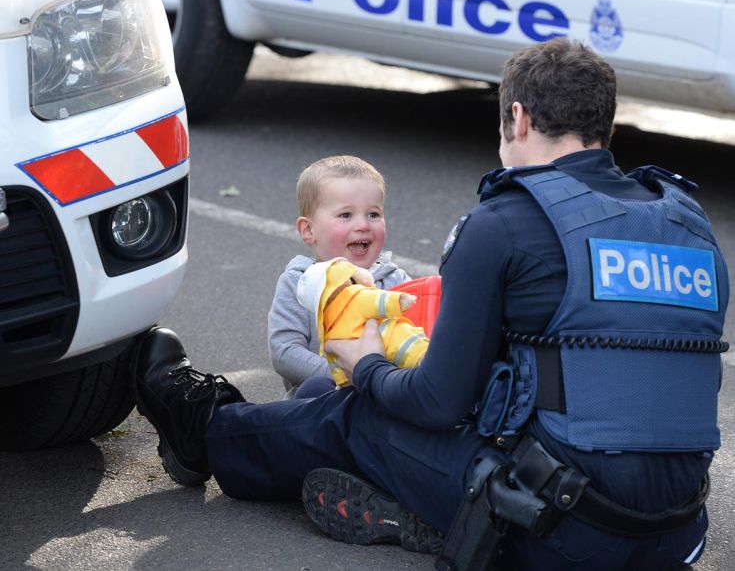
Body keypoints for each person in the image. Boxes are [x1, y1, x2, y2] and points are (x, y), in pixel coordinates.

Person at [133, 38, 729, 570]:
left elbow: (438, 403)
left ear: (516, 119)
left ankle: (203, 430)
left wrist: (366, 362)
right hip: (674, 534)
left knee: (356, 413)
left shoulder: (506, 221)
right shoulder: (686, 222)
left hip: (563, 530)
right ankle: (403, 503)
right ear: (606, 126)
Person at [267, 155, 410, 398]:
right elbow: (284, 352)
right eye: (346, 215)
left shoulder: (395, 281)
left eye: (373, 214)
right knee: (314, 390)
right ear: (309, 230)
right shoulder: (300, 282)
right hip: (324, 399)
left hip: (384, 398)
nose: (363, 225)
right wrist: (345, 374)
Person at [297, 257, 427, 387]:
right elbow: (379, 301)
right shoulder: (353, 295)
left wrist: (343, 383)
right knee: (424, 359)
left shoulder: (329, 331)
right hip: (403, 344)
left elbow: (336, 365)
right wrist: (399, 300)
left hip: (373, 376)